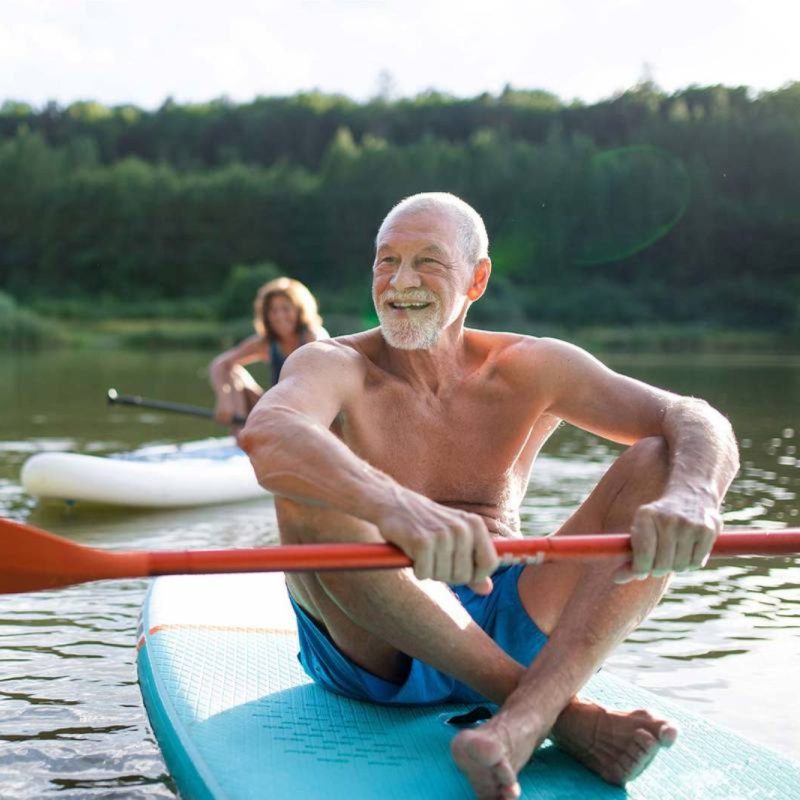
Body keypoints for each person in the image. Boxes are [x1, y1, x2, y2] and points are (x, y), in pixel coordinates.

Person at [238, 192, 738, 800]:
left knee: (662, 456)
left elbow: (691, 415)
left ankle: (524, 721)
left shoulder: (530, 366)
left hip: (509, 607)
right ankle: (557, 713)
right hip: (375, 638)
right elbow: (269, 432)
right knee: (305, 488)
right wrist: (397, 507)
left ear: (477, 280)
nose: (400, 281)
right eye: (386, 261)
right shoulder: (333, 362)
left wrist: (692, 495)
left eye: (428, 262)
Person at [209, 277, 329, 427]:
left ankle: (248, 433)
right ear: (266, 315)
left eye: (286, 309)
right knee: (233, 372)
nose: (279, 316)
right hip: (276, 411)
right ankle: (241, 431)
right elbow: (219, 364)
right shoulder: (266, 343)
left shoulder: (313, 337)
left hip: (310, 415)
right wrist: (224, 400)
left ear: (299, 310)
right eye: (273, 310)